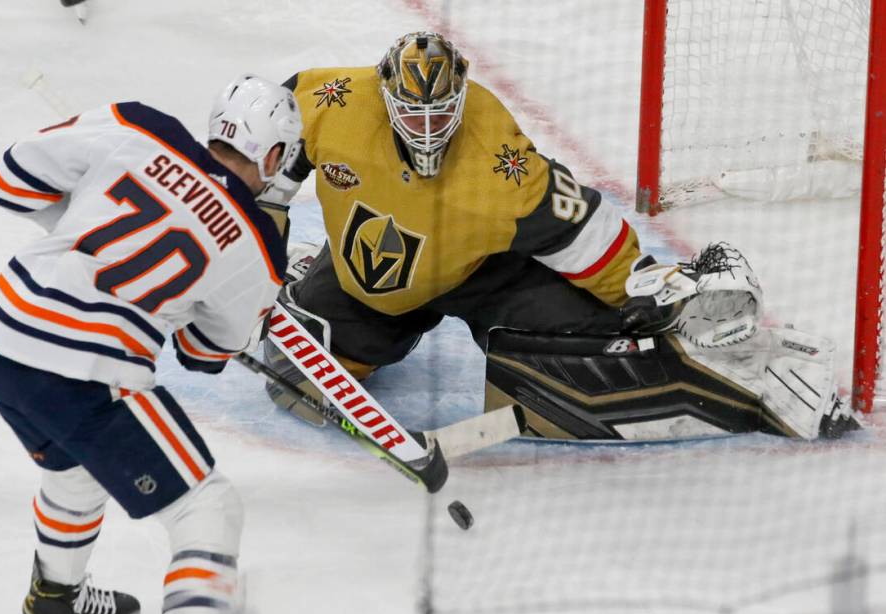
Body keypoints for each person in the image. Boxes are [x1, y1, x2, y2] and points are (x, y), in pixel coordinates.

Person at [260, 31, 857, 441]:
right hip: (371, 278)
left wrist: (642, 291)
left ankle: (739, 374)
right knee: (295, 380)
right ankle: (318, 274)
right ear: (382, 95)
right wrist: (259, 241)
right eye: (411, 114)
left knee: (594, 348)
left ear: (460, 99)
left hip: (483, 272)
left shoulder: (498, 160)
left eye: (439, 114)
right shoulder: (332, 101)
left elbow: (581, 227)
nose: (426, 128)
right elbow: (278, 137)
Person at [0, 75, 301, 614]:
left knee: (74, 469)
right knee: (208, 507)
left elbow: (12, 181)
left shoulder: (139, 125)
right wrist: (168, 298)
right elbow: (204, 355)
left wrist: (91, 236)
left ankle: (56, 599)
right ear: (274, 156)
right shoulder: (258, 244)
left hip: (5, 340)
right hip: (87, 371)